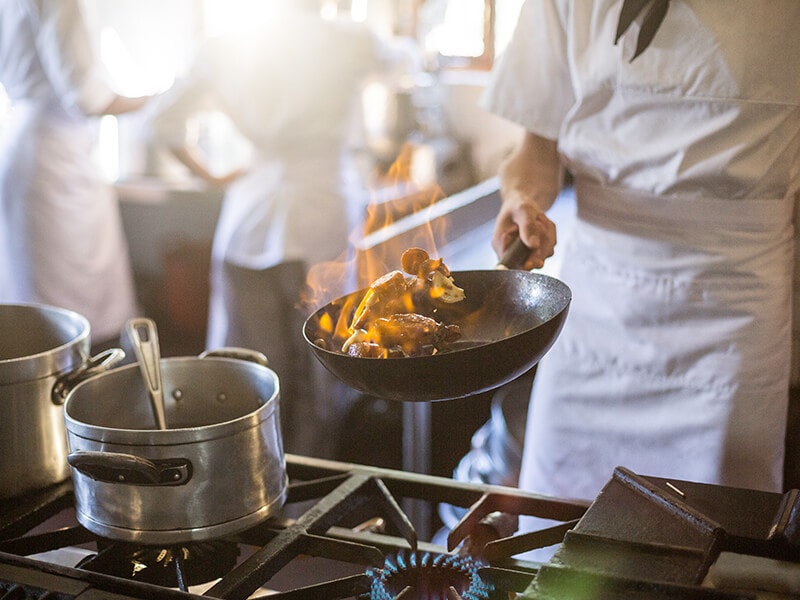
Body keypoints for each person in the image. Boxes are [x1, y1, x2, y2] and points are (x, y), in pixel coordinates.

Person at [482, 0, 800, 507]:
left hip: (735, 301)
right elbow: (535, 150)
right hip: (595, 295)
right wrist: (522, 199)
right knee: (561, 522)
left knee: (711, 532)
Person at [149, 0, 398, 456]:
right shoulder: (348, 39)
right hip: (321, 213)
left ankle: (247, 489)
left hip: (250, 214)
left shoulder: (225, 46)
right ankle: (309, 491)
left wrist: (214, 177)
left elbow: (160, 122)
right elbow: (407, 61)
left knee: (248, 376)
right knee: (322, 372)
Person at [0, 0, 151, 348]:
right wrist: (159, 98)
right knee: (70, 312)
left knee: (33, 302)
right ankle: (81, 391)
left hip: (23, 147)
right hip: (54, 158)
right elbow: (87, 96)